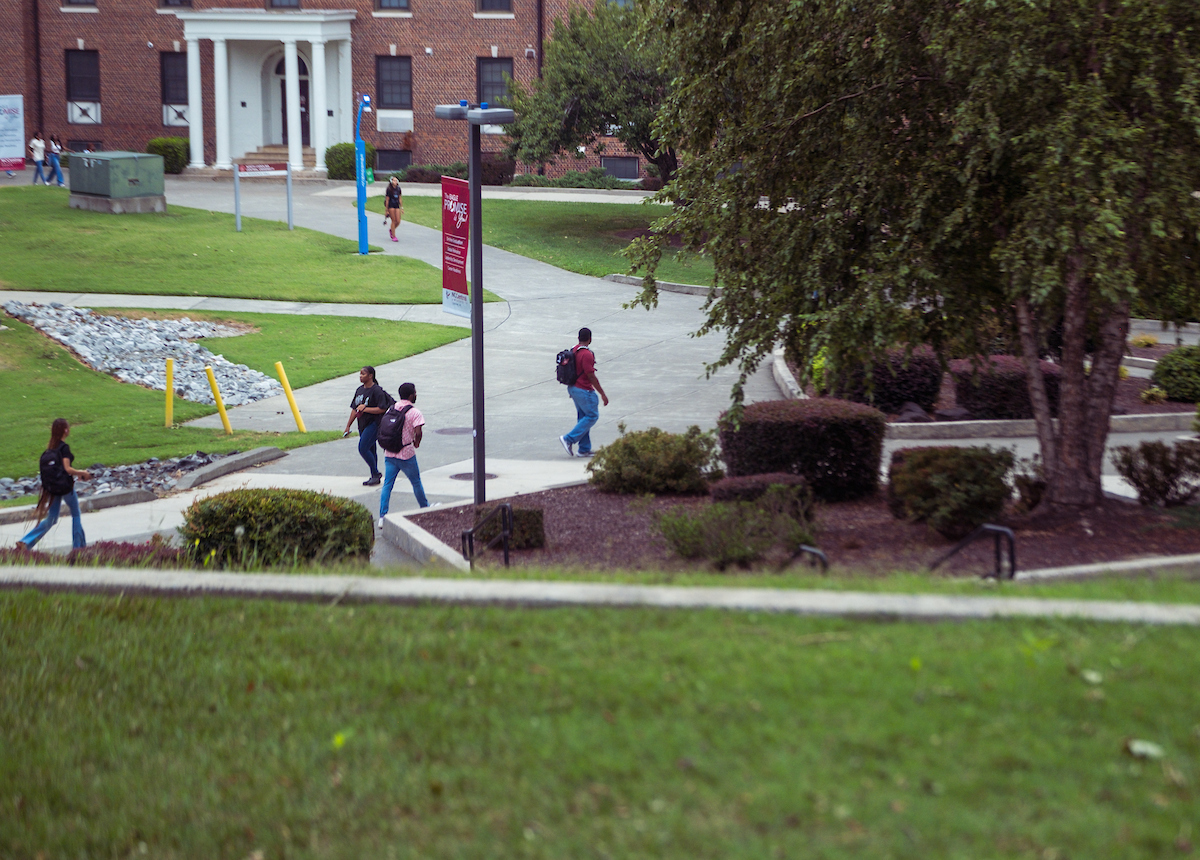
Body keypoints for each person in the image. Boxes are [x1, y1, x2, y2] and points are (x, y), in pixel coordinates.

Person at [18, 419, 93, 550]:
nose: (69, 429)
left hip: (53, 488)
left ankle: (26, 541)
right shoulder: (64, 448)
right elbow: (67, 469)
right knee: (76, 514)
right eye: (68, 427)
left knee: (52, 518)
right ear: (65, 430)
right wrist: (82, 472)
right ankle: (78, 548)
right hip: (64, 487)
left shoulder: (51, 448)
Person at [379, 382, 429, 521]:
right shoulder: (415, 412)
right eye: (415, 392)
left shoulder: (391, 409)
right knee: (416, 482)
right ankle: (425, 508)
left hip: (390, 453)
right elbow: (418, 432)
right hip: (406, 454)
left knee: (387, 485)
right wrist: (417, 443)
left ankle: (383, 516)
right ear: (412, 395)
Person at [559, 327, 609, 458]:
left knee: (583, 417)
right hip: (584, 390)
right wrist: (602, 393)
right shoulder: (587, 354)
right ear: (590, 339)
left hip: (573, 388)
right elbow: (591, 375)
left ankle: (584, 449)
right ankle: (568, 439)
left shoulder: (574, 350)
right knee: (592, 416)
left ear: (578, 338)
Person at [344, 366, 390, 486]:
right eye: (360, 374)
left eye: (363, 374)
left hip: (374, 423)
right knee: (371, 450)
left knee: (363, 448)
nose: (360, 376)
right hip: (362, 424)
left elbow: (382, 408)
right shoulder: (359, 390)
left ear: (370, 376)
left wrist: (366, 409)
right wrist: (348, 425)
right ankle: (374, 477)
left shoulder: (377, 390)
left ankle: (376, 473)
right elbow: (355, 409)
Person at [384, 175, 403, 243]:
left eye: (396, 180)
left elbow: (400, 198)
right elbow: (387, 200)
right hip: (391, 205)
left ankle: (392, 230)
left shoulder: (398, 189)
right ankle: (394, 236)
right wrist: (386, 210)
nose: (395, 181)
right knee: (394, 220)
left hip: (396, 205)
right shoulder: (389, 189)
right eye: (394, 180)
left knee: (398, 221)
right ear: (391, 181)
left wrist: (402, 207)